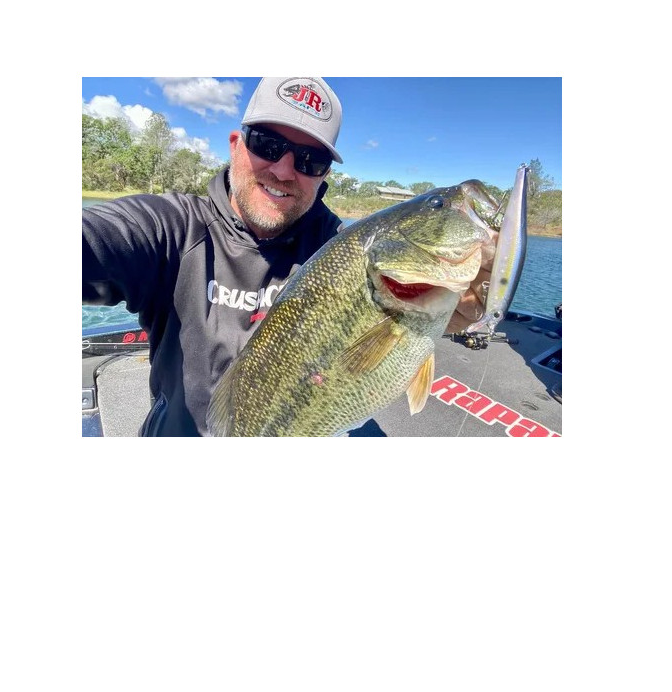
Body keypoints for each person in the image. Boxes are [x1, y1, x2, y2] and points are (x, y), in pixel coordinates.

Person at [83, 77, 492, 436]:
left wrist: (456, 312)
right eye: (268, 144)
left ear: (324, 174)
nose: (283, 170)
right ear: (236, 146)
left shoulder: (340, 249)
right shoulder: (171, 227)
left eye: (310, 160)